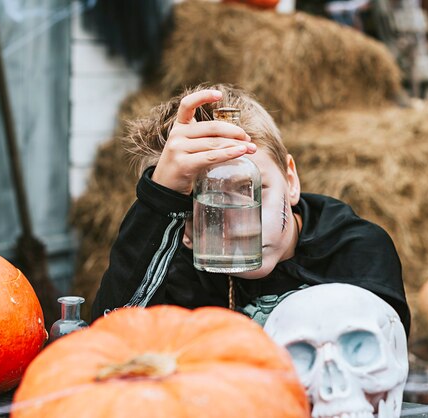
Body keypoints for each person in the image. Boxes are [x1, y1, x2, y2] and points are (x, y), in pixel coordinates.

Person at [91, 83, 411, 336]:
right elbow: (110, 343)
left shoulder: (354, 251)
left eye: (252, 189)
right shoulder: (174, 269)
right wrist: (158, 200)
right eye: (209, 204)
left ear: (290, 180)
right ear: (183, 228)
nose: (242, 227)